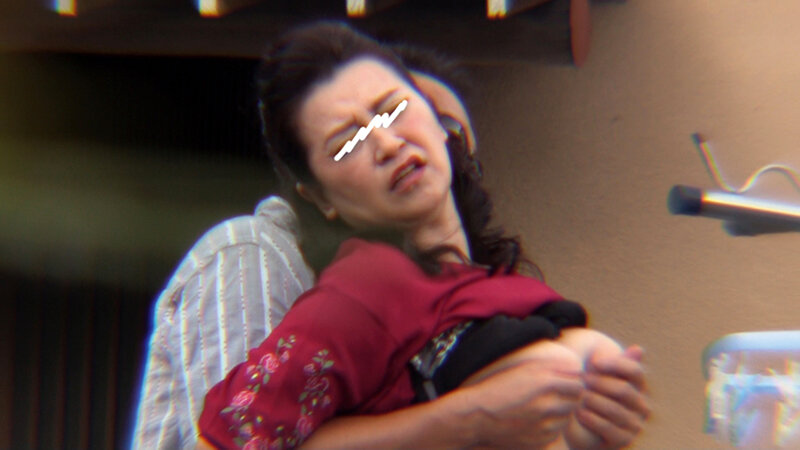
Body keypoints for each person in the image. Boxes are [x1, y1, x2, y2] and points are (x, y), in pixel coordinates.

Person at [197, 22, 649, 449]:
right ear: (319, 197)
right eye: (348, 144)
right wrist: (468, 416)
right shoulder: (359, 296)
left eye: (393, 110)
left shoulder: (490, 284)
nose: (388, 143)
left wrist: (595, 417)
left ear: (437, 116)